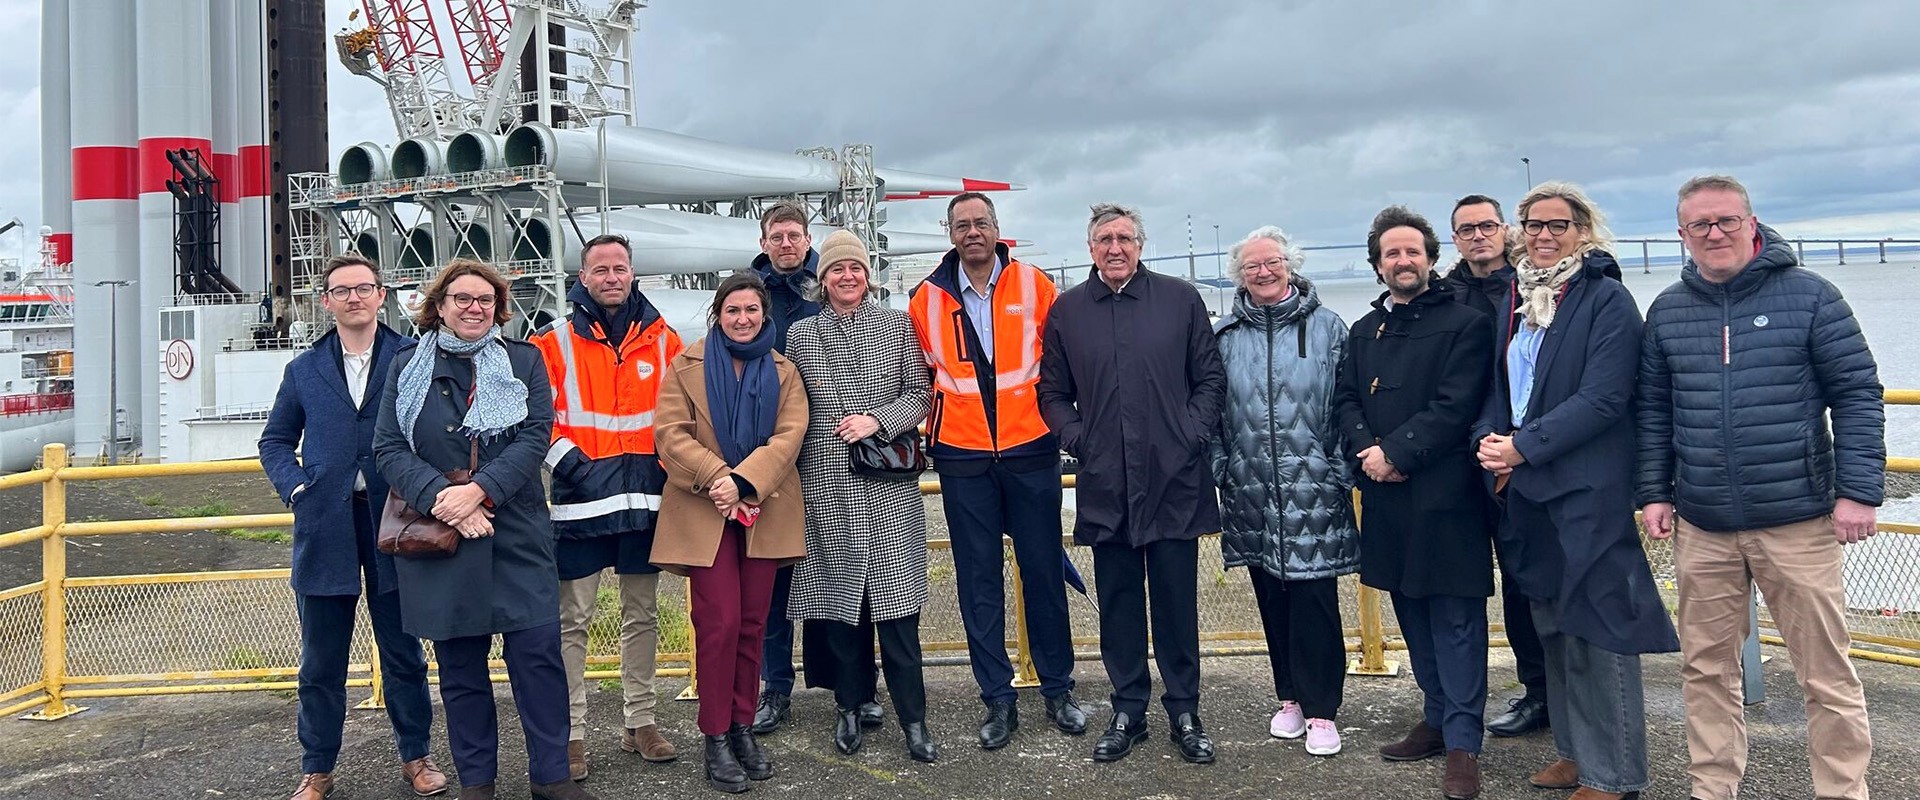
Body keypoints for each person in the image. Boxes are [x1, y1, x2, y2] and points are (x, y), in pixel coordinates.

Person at [1638, 174, 1883, 800]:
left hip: (1798, 520)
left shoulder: (1811, 297)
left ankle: (1842, 791)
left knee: (1824, 674)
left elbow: (1857, 396)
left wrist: (1859, 492)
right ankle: (1712, 789)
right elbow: (1654, 411)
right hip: (1702, 523)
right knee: (1705, 672)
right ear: (1682, 234)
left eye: (1725, 221)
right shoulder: (1667, 310)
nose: (1714, 233)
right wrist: (1653, 491)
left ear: (1752, 223)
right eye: (1700, 225)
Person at [1472, 182, 1679, 800]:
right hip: (1527, 491)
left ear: (1582, 232)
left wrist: (1523, 446)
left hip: (1586, 489)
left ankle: (1613, 774)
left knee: (1600, 630)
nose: (1543, 235)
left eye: (1558, 225)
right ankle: (1573, 752)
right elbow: (1502, 388)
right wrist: (1490, 440)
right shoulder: (1517, 298)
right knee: (1553, 626)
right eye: (1533, 225)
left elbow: (1605, 397)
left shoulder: (1606, 300)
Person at [373, 260, 594, 800]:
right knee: (461, 669)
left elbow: (536, 434)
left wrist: (481, 490)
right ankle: (477, 782)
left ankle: (551, 778)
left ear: (498, 307)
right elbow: (387, 447)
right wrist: (444, 501)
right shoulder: (406, 366)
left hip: (515, 532)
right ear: (440, 306)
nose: (475, 308)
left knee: (539, 659)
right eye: (462, 299)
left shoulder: (524, 361)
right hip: (442, 538)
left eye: (486, 300)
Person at [1038, 203, 1225, 765]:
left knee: (1175, 601)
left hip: (1173, 476)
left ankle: (1185, 709)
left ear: (1140, 245)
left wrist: (1187, 434)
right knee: (1118, 602)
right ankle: (1128, 708)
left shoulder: (1180, 299)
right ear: (1090, 248)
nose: (1114, 247)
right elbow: (1051, 392)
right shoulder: (1068, 311)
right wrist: (1082, 440)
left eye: (1124, 238)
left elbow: (1209, 379)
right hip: (1105, 479)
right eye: (1103, 239)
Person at [259, 253, 446, 800]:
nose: (354, 298)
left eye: (364, 288)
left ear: (381, 294)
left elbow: (437, 434)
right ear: (326, 301)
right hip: (326, 526)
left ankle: (417, 757)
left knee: (404, 651)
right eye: (342, 291)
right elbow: (274, 441)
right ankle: (316, 768)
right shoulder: (303, 369)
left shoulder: (413, 358)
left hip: (397, 523)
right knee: (321, 659)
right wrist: (297, 488)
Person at [908, 192, 1086, 751]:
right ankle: (997, 699)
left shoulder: (1036, 286)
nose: (972, 232)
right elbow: (918, 376)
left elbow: (1063, 364)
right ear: (950, 232)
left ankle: (1058, 689)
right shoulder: (927, 298)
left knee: (1042, 571)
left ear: (997, 228)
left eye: (980, 222)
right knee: (977, 581)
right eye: (961, 225)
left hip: (1031, 448)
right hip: (961, 456)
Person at [1335, 207, 1494, 799]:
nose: (1403, 261)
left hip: (1445, 494)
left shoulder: (1465, 321)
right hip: (1385, 494)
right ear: (1378, 265)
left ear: (1429, 257)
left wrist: (1396, 453)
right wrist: (1367, 451)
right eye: (1391, 254)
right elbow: (1346, 398)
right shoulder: (1364, 331)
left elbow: (1456, 406)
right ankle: (1435, 716)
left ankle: (1463, 743)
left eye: (1413, 251)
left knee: (1455, 618)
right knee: (1411, 610)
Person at [529, 234, 684, 779]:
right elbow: (533, 419)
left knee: (641, 615)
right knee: (572, 620)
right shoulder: (551, 341)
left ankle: (639, 721)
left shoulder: (666, 341)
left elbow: (686, 414)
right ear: (583, 276)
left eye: (620, 267)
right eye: (602, 269)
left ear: (633, 273)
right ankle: (570, 734)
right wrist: (573, 465)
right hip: (580, 503)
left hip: (646, 502)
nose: (612, 277)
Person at [652, 272, 809, 794]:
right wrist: (718, 478)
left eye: (751, 310)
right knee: (716, 625)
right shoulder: (685, 364)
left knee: (751, 625)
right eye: (732, 310)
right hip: (705, 510)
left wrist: (744, 481)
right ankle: (715, 735)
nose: (743, 318)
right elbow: (669, 434)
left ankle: (743, 727)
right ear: (717, 314)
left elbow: (791, 435)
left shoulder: (784, 371)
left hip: (763, 509)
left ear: (764, 313)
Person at [786, 230, 939, 762]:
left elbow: (921, 393)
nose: (847, 277)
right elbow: (789, 408)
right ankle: (849, 708)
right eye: (836, 270)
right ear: (822, 279)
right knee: (840, 615)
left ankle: (913, 720)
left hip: (887, 491)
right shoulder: (801, 336)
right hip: (824, 487)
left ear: (867, 275)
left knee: (899, 614)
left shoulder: (899, 326)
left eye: (855, 268)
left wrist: (879, 420)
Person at [1210, 227, 1359, 759]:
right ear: (1240, 275)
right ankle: (1289, 696)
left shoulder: (1328, 328)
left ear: (1290, 265)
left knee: (1315, 599)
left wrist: (1339, 466)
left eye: (1272, 262)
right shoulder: (1224, 336)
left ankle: (1323, 709)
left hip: (1314, 483)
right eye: (1252, 266)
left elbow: (1349, 401)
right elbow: (1211, 409)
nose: (1263, 272)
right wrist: (1221, 465)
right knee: (1271, 594)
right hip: (1251, 487)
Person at [745, 202, 884, 734]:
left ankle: (856, 688)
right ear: (765, 241)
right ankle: (774, 688)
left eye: (794, 235)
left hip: (826, 459)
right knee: (773, 585)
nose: (786, 243)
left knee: (851, 577)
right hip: (768, 453)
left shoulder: (824, 293)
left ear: (808, 241)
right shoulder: (751, 293)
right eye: (776, 235)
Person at [1443, 194, 1551, 739]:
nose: (1478, 236)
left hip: (1519, 454)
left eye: (1487, 225)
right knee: (1465, 583)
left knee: (1525, 580)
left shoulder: (1532, 286)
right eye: (1466, 229)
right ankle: (1458, 701)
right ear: (1454, 239)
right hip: (1459, 458)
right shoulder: (1444, 293)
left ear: (1505, 229)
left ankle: (1543, 691)